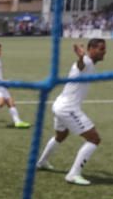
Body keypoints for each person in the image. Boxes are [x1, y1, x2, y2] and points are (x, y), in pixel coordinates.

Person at [35, 39, 108, 186]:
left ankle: (42, 162)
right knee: (94, 139)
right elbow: (81, 65)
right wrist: (80, 57)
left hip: (60, 104)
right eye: (101, 49)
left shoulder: (90, 63)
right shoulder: (86, 62)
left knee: (60, 135)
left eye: (104, 48)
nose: (104, 51)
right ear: (91, 49)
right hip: (68, 108)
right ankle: (73, 174)